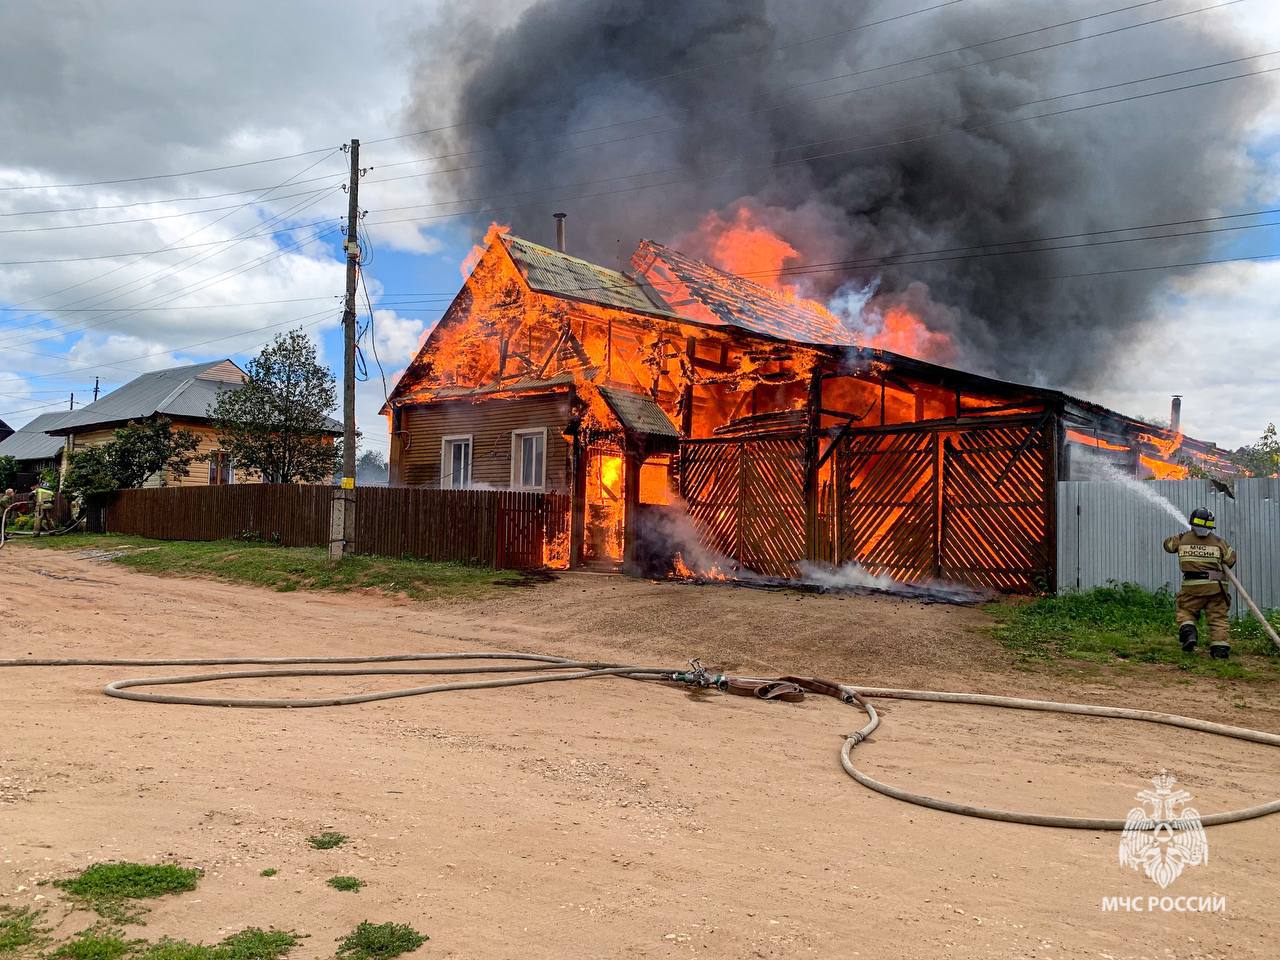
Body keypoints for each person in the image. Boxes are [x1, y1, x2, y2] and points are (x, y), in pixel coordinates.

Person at [1163, 508, 1236, 659]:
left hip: (1192, 587)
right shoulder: (1219, 542)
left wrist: (1182, 536)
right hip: (1217, 587)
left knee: (1186, 610)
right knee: (1218, 618)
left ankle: (1189, 632)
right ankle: (1220, 649)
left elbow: (1167, 545)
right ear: (1210, 525)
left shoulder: (1182, 539)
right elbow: (1231, 560)